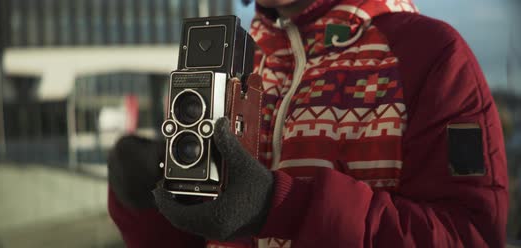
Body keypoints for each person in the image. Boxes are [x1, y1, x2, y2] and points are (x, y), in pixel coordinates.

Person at [107, 0, 509, 247]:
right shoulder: (236, 67)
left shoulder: (432, 54)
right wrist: (144, 207)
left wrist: (282, 207)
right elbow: (205, 236)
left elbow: (470, 237)